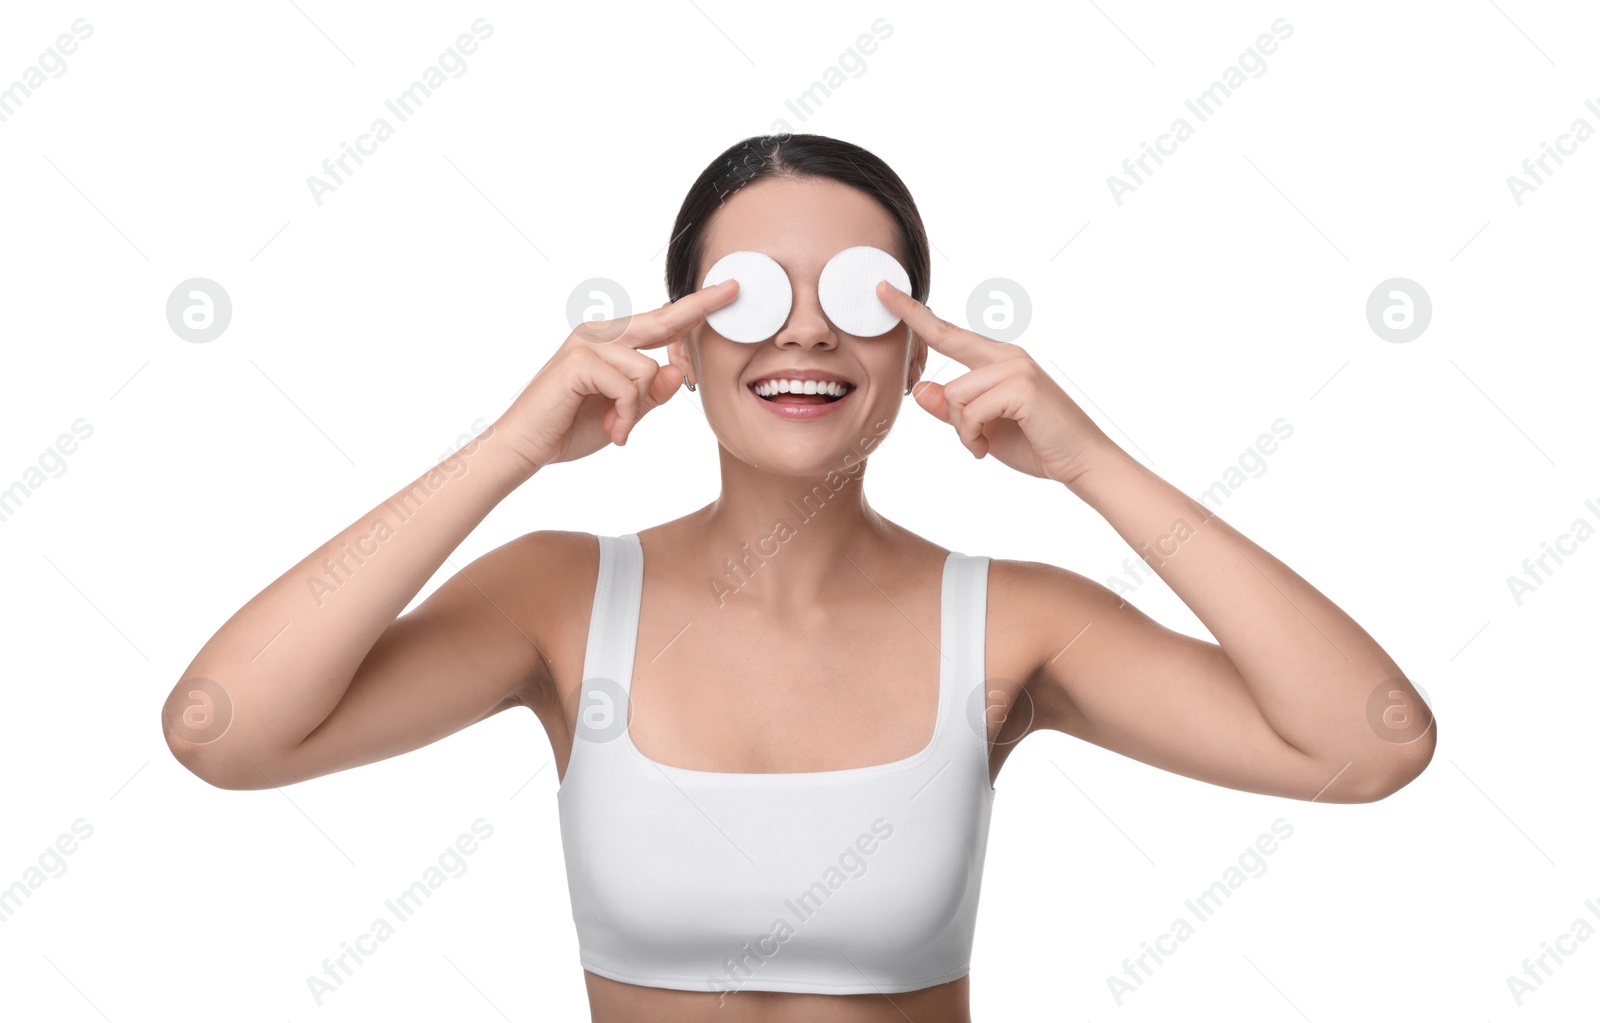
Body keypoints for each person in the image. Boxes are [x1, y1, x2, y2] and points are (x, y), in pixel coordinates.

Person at [163, 133, 1436, 1022]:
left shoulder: (1014, 623)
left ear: (918, 339)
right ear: (678, 332)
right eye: (753, 293)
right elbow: (221, 731)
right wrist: (506, 452)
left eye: (861, 297)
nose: (806, 330)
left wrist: (1094, 464)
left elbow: (1370, 744)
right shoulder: (557, 599)